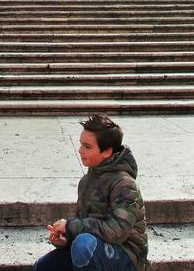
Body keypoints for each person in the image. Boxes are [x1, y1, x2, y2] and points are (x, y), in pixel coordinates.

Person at [33, 114, 147, 271]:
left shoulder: (125, 184)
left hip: (126, 255)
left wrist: (71, 226)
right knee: (43, 266)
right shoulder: (86, 181)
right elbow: (84, 225)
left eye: (87, 147)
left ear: (107, 151)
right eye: (81, 145)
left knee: (84, 246)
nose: (80, 151)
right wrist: (65, 239)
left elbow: (117, 231)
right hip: (95, 246)